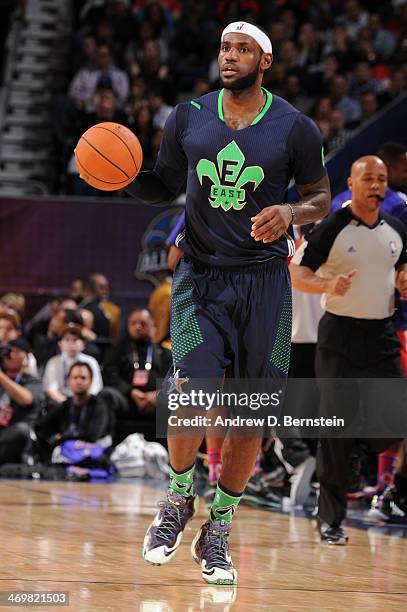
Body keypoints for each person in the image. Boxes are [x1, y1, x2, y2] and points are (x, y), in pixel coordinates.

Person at [105, 21, 329, 584]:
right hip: (200, 277)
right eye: (225, 48)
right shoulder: (188, 116)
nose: (229, 57)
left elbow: (320, 196)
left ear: (265, 61)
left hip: (265, 283)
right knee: (190, 393)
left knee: (249, 417)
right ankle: (178, 500)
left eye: (242, 49)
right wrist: (126, 177)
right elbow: (162, 181)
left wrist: (291, 214)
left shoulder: (294, 128)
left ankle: (219, 527)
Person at [290, 155, 407, 544]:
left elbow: (401, 269)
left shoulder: (397, 230)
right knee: (335, 433)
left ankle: (392, 491)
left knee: (396, 423)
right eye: (369, 179)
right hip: (339, 337)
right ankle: (331, 520)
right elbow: (299, 272)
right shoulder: (332, 227)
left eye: (382, 179)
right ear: (351, 184)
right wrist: (327, 286)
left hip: (383, 335)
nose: (376, 186)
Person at [36, 362, 111, 460]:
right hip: (66, 453)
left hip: (91, 455)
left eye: (83, 378)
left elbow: (92, 436)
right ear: (69, 381)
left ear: (91, 381)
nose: (79, 381)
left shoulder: (99, 406)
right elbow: (40, 427)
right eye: (75, 378)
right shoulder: (65, 405)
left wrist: (61, 438)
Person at [0, 338, 43, 465]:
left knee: (21, 430)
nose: (12, 355)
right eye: (9, 352)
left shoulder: (32, 381)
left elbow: (26, 399)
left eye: (18, 352)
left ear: (27, 356)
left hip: (15, 434)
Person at [42, 323, 103, 404]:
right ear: (60, 344)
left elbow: (95, 388)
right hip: (61, 402)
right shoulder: (53, 362)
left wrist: (80, 402)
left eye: (75, 340)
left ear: (83, 344)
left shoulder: (91, 362)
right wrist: (67, 404)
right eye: (67, 339)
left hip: (86, 401)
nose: (71, 344)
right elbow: (51, 389)